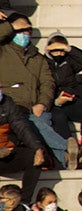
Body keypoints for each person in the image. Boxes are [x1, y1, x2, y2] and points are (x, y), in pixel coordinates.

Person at [0, 13, 67, 169]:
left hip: (34, 107)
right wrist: (10, 26)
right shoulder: (3, 51)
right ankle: (65, 151)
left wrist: (43, 103)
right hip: (10, 107)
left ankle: (60, 160)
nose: (24, 34)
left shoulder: (38, 58)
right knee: (32, 123)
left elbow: (47, 83)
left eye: (28, 30)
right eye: (20, 30)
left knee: (41, 119)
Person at [42, 33, 82, 170]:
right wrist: (56, 101)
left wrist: (69, 48)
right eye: (55, 50)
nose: (59, 53)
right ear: (48, 50)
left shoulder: (69, 61)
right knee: (58, 116)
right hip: (52, 103)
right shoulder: (42, 63)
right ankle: (69, 147)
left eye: (61, 50)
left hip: (70, 100)